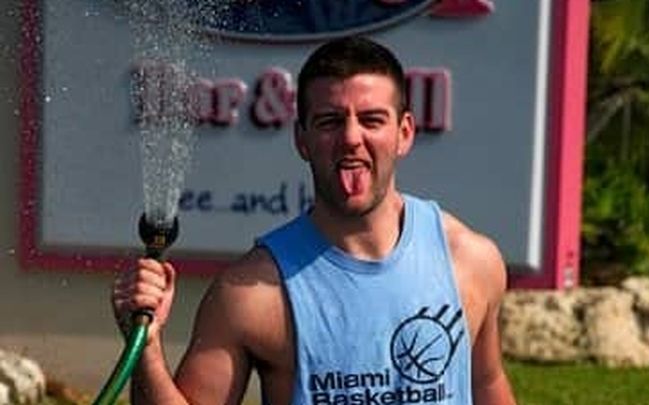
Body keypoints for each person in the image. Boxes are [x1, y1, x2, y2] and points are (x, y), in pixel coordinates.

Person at [112, 36, 516, 405]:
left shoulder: (470, 262)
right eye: (330, 121)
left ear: (404, 133)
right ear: (301, 139)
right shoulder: (251, 293)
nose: (351, 138)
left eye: (372, 120)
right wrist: (146, 346)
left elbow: (487, 383)